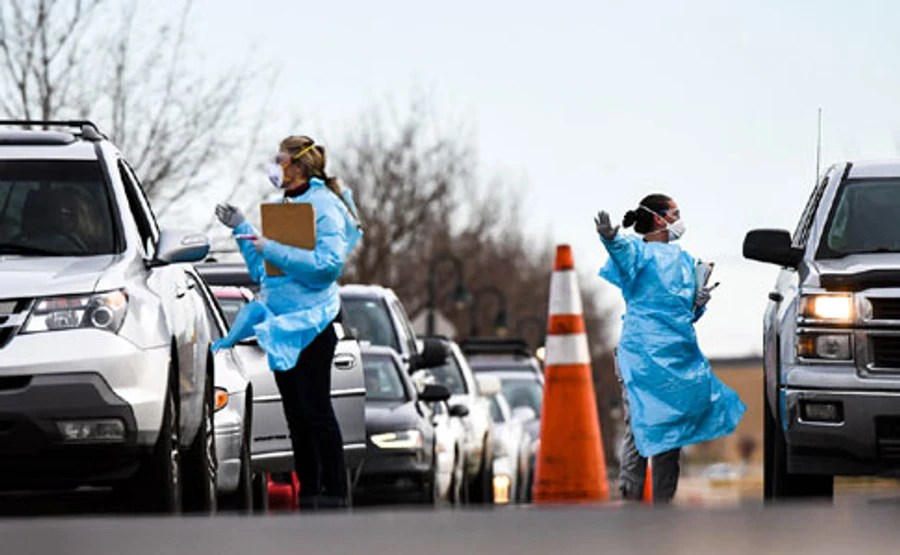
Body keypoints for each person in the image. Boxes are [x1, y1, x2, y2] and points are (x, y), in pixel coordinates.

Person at [213, 135, 362, 510]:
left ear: (296, 164)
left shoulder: (324, 206)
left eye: (280, 158)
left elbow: (327, 268)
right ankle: (310, 492)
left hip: (311, 327)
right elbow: (265, 271)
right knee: (295, 415)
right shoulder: (285, 207)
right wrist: (243, 230)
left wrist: (273, 247)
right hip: (281, 326)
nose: (274, 164)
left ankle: (335, 493)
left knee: (316, 410)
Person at [595, 194, 745, 504]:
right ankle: (631, 494)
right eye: (675, 213)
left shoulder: (686, 262)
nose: (679, 219)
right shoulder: (639, 252)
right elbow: (623, 253)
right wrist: (609, 238)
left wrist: (698, 302)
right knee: (639, 424)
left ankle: (663, 501)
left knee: (672, 430)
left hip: (677, 354)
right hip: (641, 355)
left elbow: (687, 314)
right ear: (659, 218)